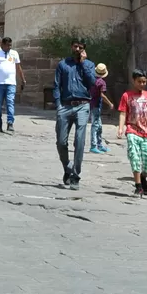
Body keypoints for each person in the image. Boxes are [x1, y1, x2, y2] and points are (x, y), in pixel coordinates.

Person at [117, 69, 147, 197]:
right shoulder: (126, 96)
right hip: (132, 131)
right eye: (139, 81)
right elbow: (123, 113)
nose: (142, 84)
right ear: (133, 81)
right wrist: (121, 128)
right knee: (134, 157)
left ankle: (143, 177)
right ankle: (138, 186)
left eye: (144, 82)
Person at [53, 38, 96, 188]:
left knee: (79, 140)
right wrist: (58, 105)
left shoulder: (89, 65)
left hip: (83, 105)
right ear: (71, 47)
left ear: (84, 49)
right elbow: (56, 85)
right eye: (75, 46)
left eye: (80, 47)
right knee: (61, 142)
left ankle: (75, 175)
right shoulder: (63, 64)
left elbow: (92, 83)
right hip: (65, 106)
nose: (77, 49)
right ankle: (68, 167)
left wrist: (83, 63)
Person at [0, 35, 25, 133]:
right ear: (2, 45)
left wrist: (23, 79)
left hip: (11, 83)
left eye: (10, 45)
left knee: (10, 102)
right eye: (7, 45)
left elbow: (18, 67)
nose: (9, 47)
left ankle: (10, 123)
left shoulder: (14, 53)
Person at [88, 61, 114, 154]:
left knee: (99, 126)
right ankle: (93, 145)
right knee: (95, 125)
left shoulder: (92, 80)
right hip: (96, 105)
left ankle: (99, 145)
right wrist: (110, 103)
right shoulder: (102, 82)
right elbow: (102, 95)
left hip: (91, 104)